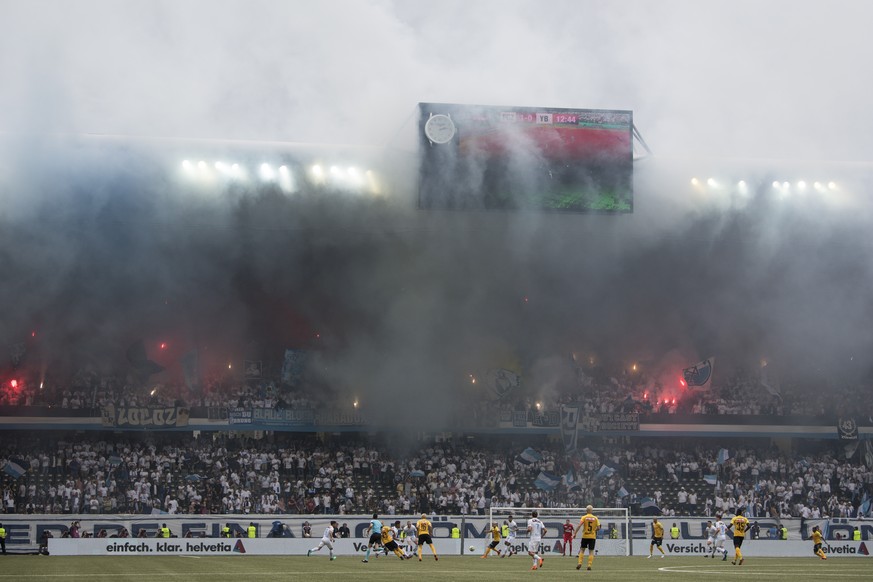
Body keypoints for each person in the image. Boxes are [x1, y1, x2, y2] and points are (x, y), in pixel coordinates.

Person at [574, 505, 600, 572]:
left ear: (586, 510)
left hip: (585, 536)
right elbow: (599, 527)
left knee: (582, 550)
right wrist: (594, 530)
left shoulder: (584, 517)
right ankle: (589, 565)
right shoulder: (595, 518)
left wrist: (574, 533)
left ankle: (579, 563)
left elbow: (579, 525)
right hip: (592, 536)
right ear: (591, 510)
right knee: (591, 551)